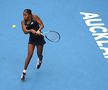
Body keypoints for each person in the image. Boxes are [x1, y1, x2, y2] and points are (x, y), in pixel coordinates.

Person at [20, 9, 46, 80]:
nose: (24, 16)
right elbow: (25, 31)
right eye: (23, 15)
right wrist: (31, 30)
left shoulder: (35, 17)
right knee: (29, 55)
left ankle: (40, 60)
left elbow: (42, 25)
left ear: (30, 15)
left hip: (39, 38)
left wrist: (38, 30)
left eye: (25, 15)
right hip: (32, 39)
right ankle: (23, 72)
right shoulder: (23, 22)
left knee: (39, 54)